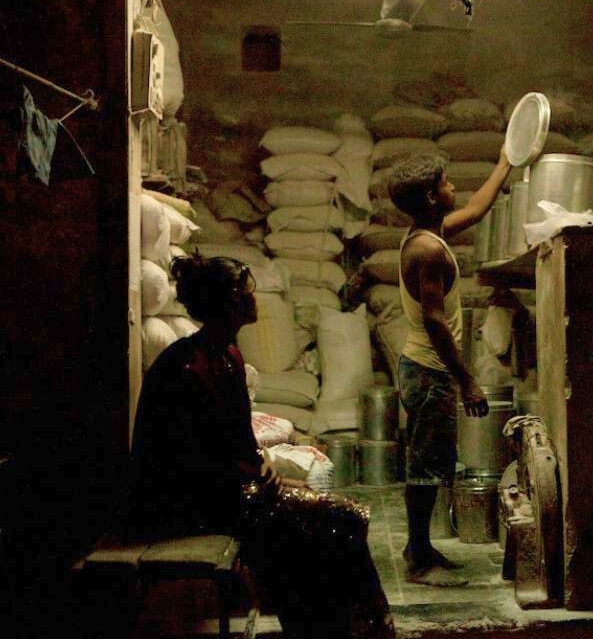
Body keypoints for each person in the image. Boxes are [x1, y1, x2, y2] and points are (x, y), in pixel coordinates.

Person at [125, 255, 394, 638]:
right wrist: (262, 486)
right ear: (230, 300)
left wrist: (263, 462)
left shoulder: (227, 356)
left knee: (336, 519)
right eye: (249, 293)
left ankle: (335, 628)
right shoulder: (190, 366)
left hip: (220, 492)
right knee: (330, 522)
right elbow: (194, 461)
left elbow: (235, 441)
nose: (256, 300)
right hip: (184, 505)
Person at [388, 149, 512, 586]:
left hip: (425, 368)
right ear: (429, 194)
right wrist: (468, 382)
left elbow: (476, 210)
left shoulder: (429, 232)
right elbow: (434, 321)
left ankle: (419, 547)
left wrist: (506, 160)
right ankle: (418, 561)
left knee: (430, 461)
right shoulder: (427, 251)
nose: (452, 186)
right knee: (424, 465)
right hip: (428, 370)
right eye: (445, 182)